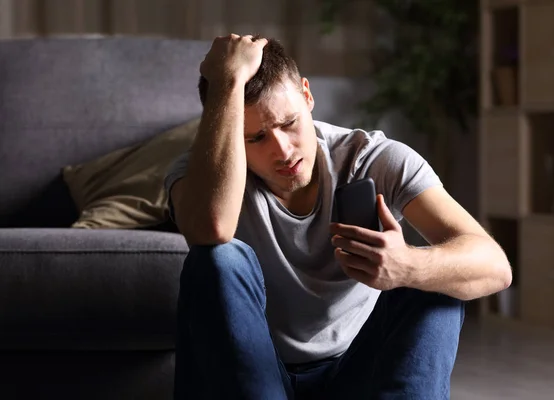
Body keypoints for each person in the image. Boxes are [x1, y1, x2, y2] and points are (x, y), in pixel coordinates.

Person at [165, 34, 512, 400]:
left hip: (355, 372)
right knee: (216, 258)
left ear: (307, 95)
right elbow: (212, 228)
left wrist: (407, 265)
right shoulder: (196, 176)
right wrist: (227, 81)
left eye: (288, 123)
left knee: (437, 278)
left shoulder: (373, 158)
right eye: (256, 138)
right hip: (258, 377)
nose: (282, 151)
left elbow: (496, 268)